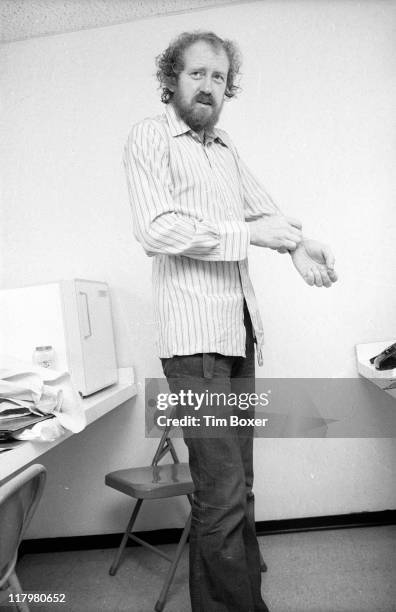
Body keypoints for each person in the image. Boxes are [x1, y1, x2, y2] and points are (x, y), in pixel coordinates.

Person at [123, 30, 337, 612]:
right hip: (194, 348)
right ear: (171, 79)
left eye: (219, 78)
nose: (209, 86)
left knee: (239, 491)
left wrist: (299, 243)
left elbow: (263, 210)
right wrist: (253, 234)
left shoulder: (224, 148)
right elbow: (156, 229)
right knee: (219, 500)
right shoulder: (150, 136)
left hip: (237, 338)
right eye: (197, 73)